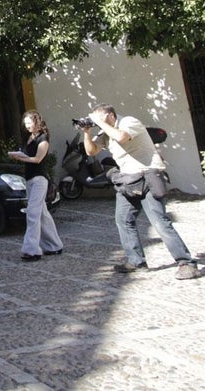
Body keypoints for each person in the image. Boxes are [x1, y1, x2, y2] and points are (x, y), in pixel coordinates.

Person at [82, 103, 198, 280]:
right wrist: (86, 132)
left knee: (159, 222)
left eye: (100, 117)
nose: (97, 121)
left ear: (111, 115)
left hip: (147, 177)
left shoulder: (128, 122)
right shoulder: (105, 131)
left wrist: (101, 123)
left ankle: (186, 263)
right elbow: (91, 151)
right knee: (123, 220)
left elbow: (122, 137)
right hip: (128, 180)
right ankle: (136, 261)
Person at [7, 110, 64, 262]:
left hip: (39, 179)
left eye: (29, 123)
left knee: (32, 213)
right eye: (25, 123)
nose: (27, 126)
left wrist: (22, 157)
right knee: (42, 214)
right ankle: (54, 246)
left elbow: (38, 159)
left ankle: (31, 250)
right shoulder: (29, 138)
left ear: (37, 122)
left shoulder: (43, 138)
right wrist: (19, 156)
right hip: (30, 179)